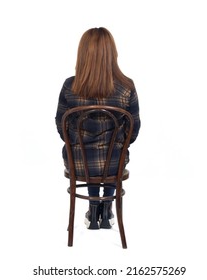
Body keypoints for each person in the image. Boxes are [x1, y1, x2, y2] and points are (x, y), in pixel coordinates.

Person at [55, 27, 141, 230]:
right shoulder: (127, 86)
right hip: (114, 165)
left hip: (79, 164)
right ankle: (107, 208)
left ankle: (94, 208)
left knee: (89, 152)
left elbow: (61, 128)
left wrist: (79, 140)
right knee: (115, 153)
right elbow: (134, 131)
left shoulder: (70, 86)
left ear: (82, 53)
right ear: (112, 52)